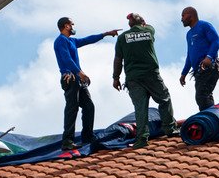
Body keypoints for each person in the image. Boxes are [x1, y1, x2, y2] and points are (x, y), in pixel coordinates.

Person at [112, 13, 178, 149]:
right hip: (151, 75)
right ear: (142, 21)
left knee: (140, 108)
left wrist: (116, 78)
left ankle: (141, 139)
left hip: (133, 78)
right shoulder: (148, 31)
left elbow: (118, 59)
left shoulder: (122, 38)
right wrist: (142, 21)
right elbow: (148, 25)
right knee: (164, 99)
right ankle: (170, 130)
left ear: (130, 25)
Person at [54, 17, 119, 150]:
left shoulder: (71, 41)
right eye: (72, 24)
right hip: (70, 77)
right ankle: (67, 141)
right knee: (72, 108)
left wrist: (105, 34)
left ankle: (87, 137)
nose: (73, 27)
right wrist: (80, 73)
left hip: (78, 79)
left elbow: (87, 40)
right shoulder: (60, 41)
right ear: (66, 26)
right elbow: (66, 59)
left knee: (89, 107)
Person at [179, 7, 219, 110]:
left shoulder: (204, 25)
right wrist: (183, 74)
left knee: (202, 96)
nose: (181, 19)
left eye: (183, 15)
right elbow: (189, 55)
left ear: (191, 15)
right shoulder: (189, 34)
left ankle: (211, 120)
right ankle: (212, 118)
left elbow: (216, 41)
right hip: (199, 72)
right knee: (202, 97)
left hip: (209, 67)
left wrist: (209, 57)